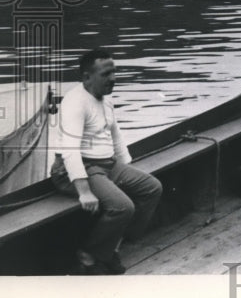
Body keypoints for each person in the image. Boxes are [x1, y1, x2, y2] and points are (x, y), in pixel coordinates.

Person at [51, 48, 162, 275]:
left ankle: (111, 248)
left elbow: (115, 135)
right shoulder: (75, 103)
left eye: (114, 72)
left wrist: (126, 167)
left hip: (107, 165)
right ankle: (88, 255)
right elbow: (70, 150)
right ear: (86, 77)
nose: (113, 78)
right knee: (123, 206)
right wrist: (83, 191)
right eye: (105, 74)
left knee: (152, 188)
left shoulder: (106, 98)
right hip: (77, 169)